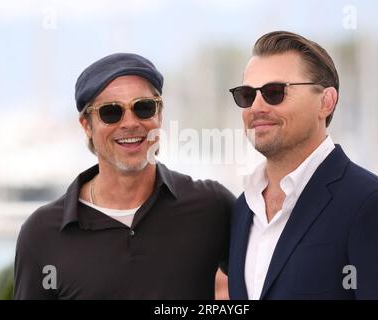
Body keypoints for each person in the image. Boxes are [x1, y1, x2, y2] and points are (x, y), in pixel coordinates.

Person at [14, 53, 236, 299]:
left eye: (143, 108)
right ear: (86, 125)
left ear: (159, 115)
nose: (130, 123)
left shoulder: (212, 207)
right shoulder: (42, 235)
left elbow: (264, 283)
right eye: (111, 112)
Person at [227, 31, 378, 299]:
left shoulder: (373, 206)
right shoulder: (241, 210)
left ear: (326, 102)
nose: (256, 107)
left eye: (274, 92)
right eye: (247, 95)